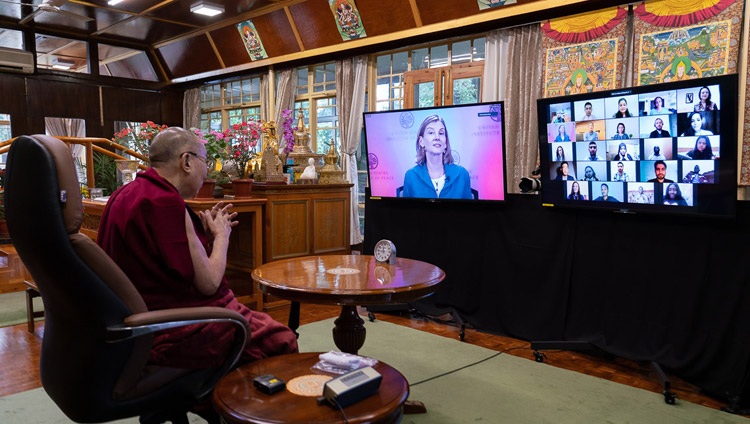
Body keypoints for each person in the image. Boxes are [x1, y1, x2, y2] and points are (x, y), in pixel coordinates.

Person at [98, 127, 298, 370]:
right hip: (171, 330)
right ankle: (236, 406)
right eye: (206, 161)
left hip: (130, 326)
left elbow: (163, 261)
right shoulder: (166, 203)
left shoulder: (124, 194)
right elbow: (209, 283)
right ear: (187, 162)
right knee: (280, 338)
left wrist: (202, 238)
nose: (207, 171)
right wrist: (222, 236)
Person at [402, 115, 472, 199]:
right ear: (421, 141)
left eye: (441, 133)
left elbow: (468, 211)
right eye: (431, 132)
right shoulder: (411, 176)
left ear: (445, 142)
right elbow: (407, 211)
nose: (437, 137)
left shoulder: (462, 174)